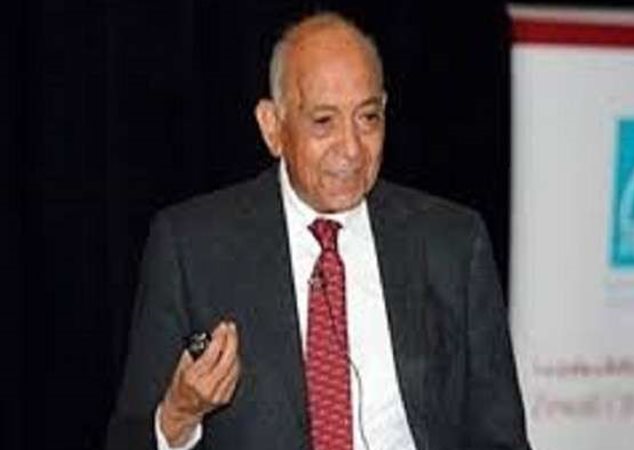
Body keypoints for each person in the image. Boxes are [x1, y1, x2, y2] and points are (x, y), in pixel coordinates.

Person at [106, 11, 531, 450]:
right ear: (273, 127)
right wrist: (179, 415)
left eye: (368, 118)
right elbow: (129, 440)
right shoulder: (193, 248)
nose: (351, 149)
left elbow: (499, 437)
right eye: (324, 122)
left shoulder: (451, 243)